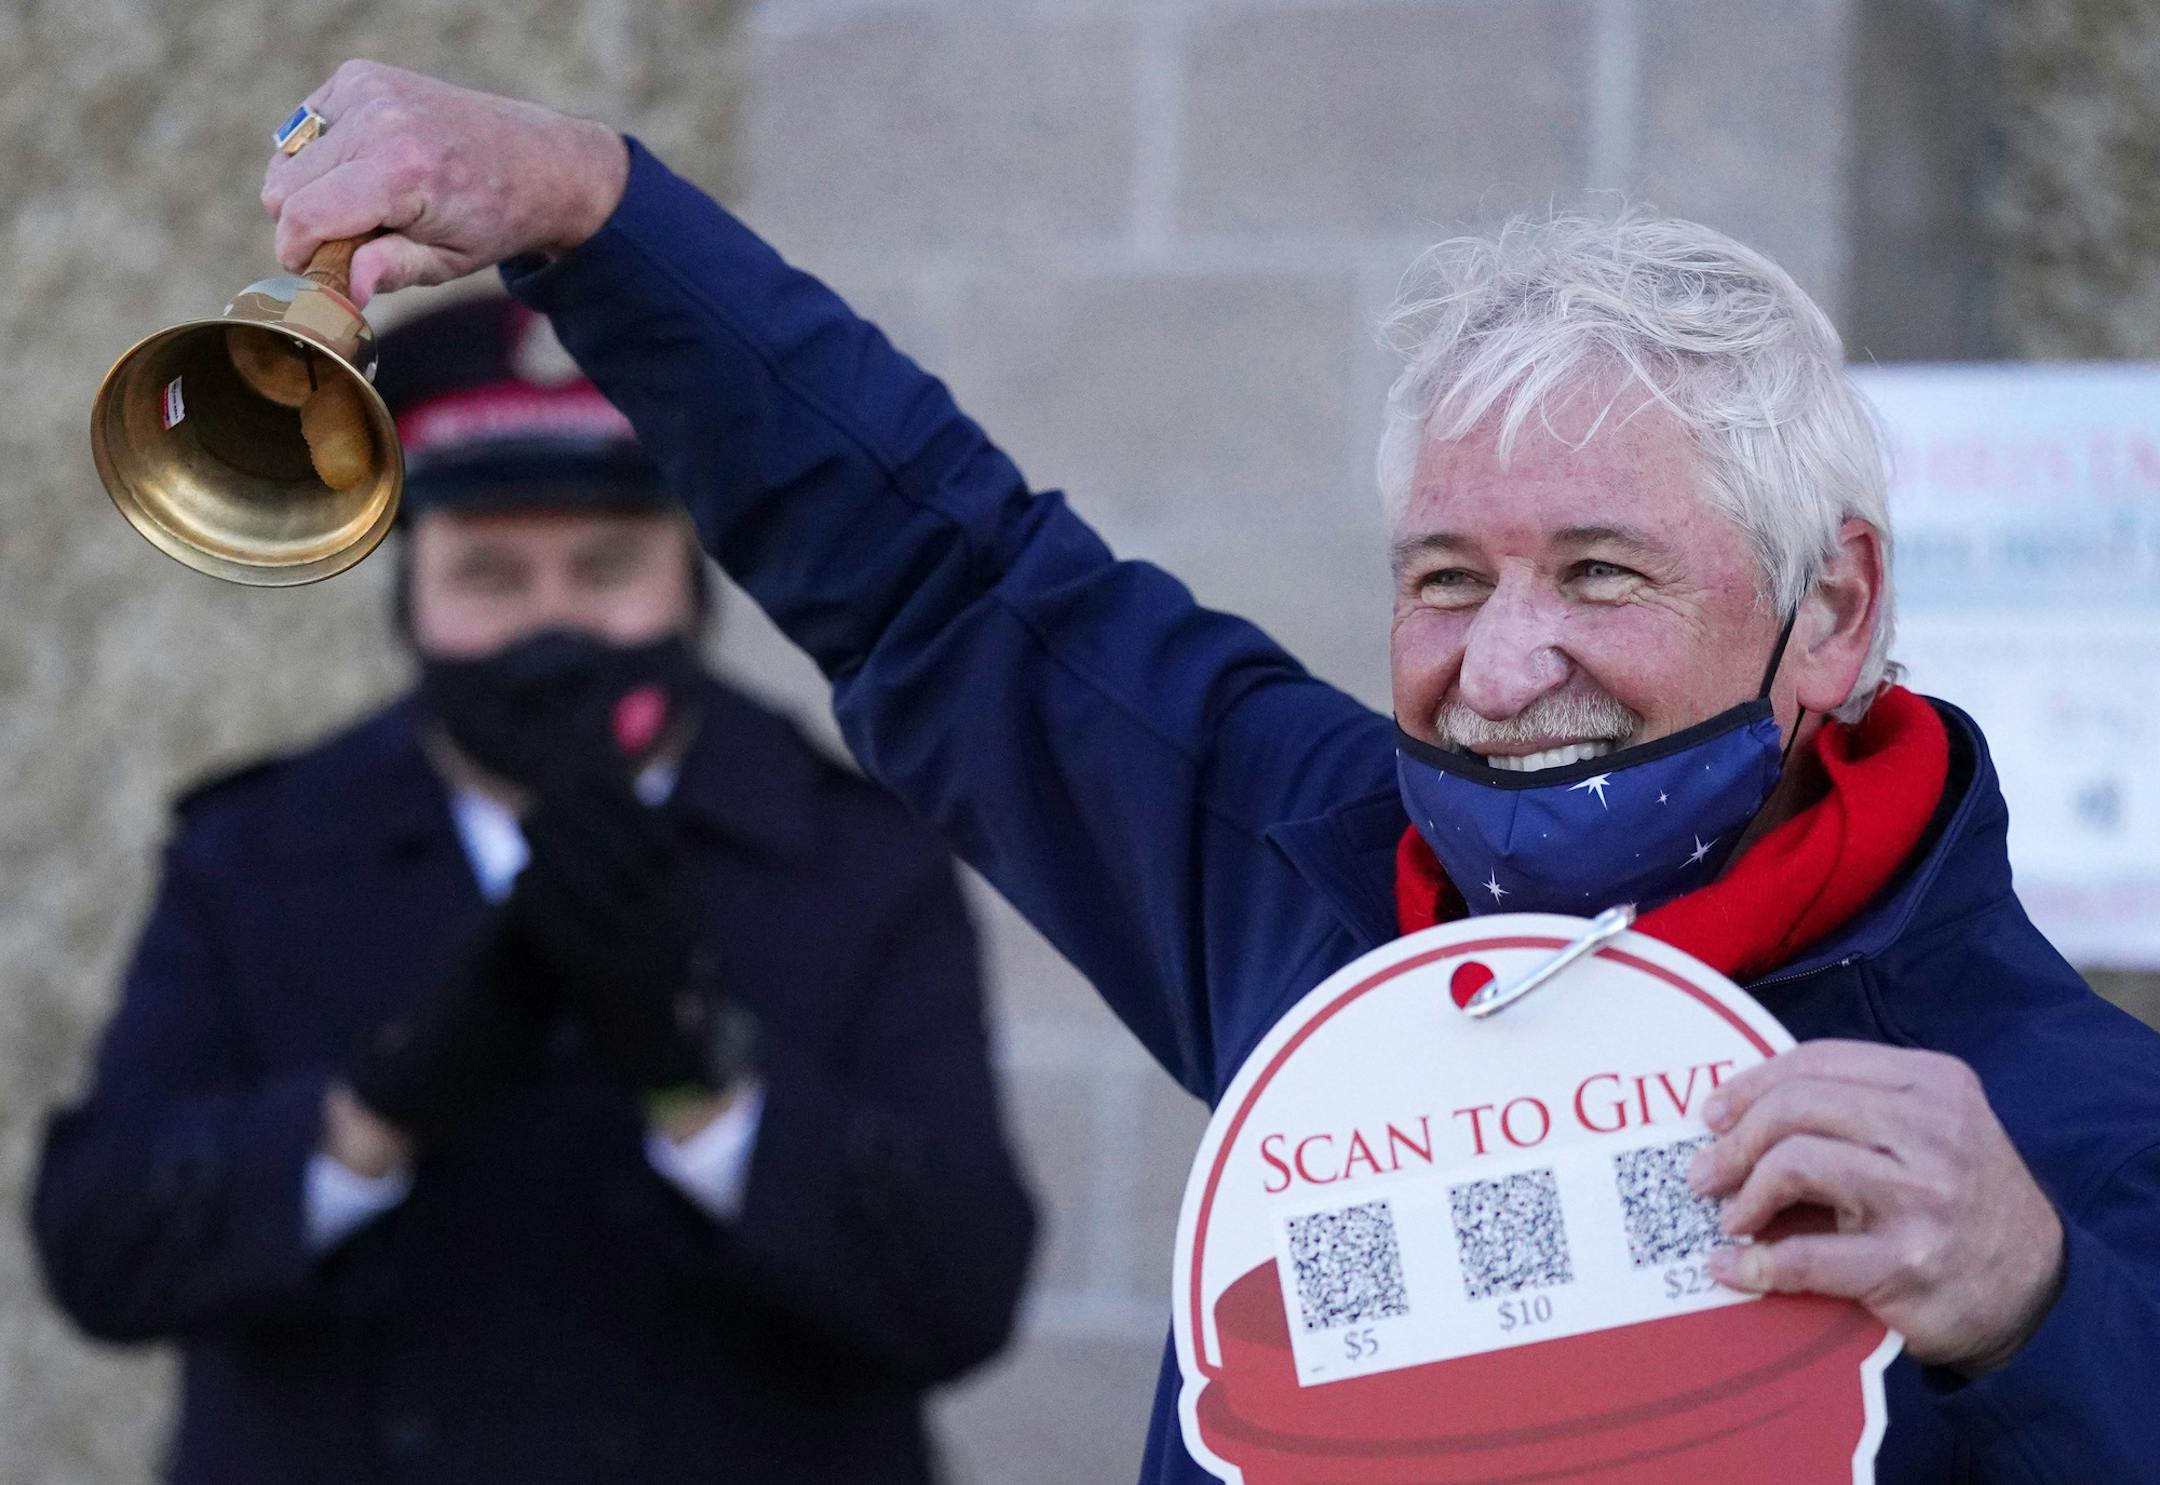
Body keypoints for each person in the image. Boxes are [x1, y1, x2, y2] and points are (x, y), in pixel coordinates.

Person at [251, 62, 2157, 1483]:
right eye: (1442, 578)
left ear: (1834, 613)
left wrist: (2035, 1311)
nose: (1502, 667)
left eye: (1600, 572)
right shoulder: (1307, 862)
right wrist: (595, 209)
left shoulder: (2064, 1132)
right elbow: (944, 571)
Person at [32, 293, 1036, 1485]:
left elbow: (963, 1295)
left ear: (690, 580)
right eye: (491, 576)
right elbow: (101, 1252)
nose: (551, 621)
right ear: (411, 592)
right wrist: (371, 1116)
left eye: (606, 567)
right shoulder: (257, 851)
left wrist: (705, 1082)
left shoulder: (857, 855)